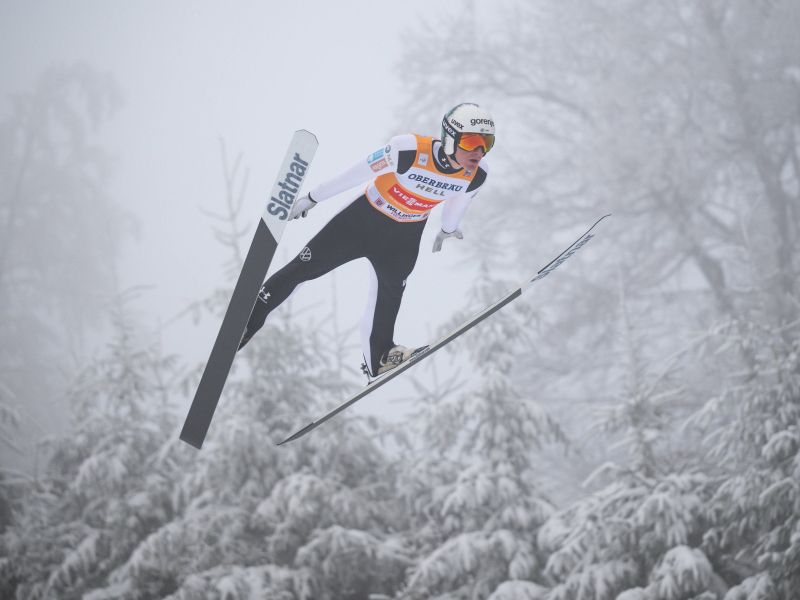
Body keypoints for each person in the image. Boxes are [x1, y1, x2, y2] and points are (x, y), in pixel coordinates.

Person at [238, 102, 495, 377]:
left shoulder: (477, 175)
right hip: (361, 222)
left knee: (391, 293)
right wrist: (313, 198)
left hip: (404, 237)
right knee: (302, 269)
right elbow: (355, 174)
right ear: (449, 137)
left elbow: (458, 203)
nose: (478, 152)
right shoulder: (408, 150)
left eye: (487, 144)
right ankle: (246, 321)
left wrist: (447, 228)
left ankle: (380, 356)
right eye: (471, 142)